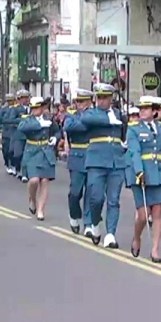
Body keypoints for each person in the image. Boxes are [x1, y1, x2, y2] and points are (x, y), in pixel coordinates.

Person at [72, 83, 127, 248]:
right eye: (99, 97)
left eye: (105, 98)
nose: (101, 101)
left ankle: (111, 233)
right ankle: (95, 223)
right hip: (96, 161)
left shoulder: (118, 114)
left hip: (116, 160)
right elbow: (86, 119)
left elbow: (126, 129)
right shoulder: (92, 113)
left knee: (114, 200)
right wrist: (109, 119)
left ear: (111, 98)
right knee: (96, 198)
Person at [126, 96, 161, 262]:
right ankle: (137, 237)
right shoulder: (133, 129)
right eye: (141, 108)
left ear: (154, 111)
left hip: (158, 173)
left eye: (146, 108)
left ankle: (155, 249)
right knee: (144, 215)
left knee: (158, 212)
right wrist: (139, 171)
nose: (142, 111)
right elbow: (134, 152)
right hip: (141, 173)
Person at [18, 96, 61, 220]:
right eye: (33, 108)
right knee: (34, 180)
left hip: (46, 151)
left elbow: (57, 131)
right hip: (32, 151)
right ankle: (32, 199)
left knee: (44, 180)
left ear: (42, 108)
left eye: (37, 107)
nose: (35, 110)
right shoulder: (28, 119)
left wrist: (55, 138)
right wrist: (38, 124)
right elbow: (22, 128)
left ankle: (41, 210)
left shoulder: (49, 119)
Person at [62, 89, 94, 234]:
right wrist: (85, 124)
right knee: (75, 192)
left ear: (89, 102)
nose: (79, 104)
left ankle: (88, 223)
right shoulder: (71, 115)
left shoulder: (95, 115)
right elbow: (68, 126)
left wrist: (81, 124)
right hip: (77, 155)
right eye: (77, 101)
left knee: (91, 191)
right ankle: (74, 215)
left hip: (92, 155)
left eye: (82, 101)